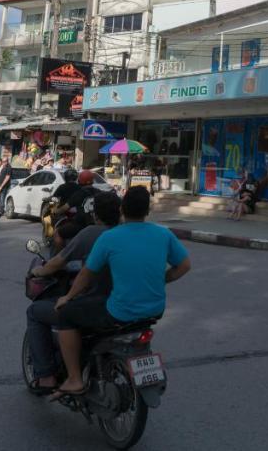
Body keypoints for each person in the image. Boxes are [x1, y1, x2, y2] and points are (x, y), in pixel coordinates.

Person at [51, 186, 191, 398]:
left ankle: (74, 379)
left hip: (120, 312)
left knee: (66, 315)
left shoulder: (110, 237)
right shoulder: (163, 234)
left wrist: (68, 297)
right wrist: (162, 279)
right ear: (147, 211)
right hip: (155, 311)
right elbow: (184, 265)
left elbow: (86, 274)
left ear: (123, 209)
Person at [25, 191, 122, 392]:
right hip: (127, 303)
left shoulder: (91, 233)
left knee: (37, 312)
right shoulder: (127, 233)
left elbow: (58, 262)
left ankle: (47, 377)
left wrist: (38, 271)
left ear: (95, 214)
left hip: (98, 305)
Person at [43, 169, 81, 240]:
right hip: (77, 211)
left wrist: (51, 208)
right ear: (76, 177)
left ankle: (49, 235)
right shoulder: (80, 187)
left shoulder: (62, 187)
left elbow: (54, 198)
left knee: (47, 216)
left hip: (63, 210)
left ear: (66, 177)